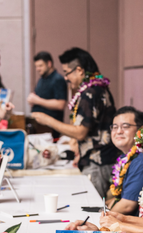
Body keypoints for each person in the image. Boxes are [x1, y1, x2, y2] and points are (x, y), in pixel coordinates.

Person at [31, 47, 120, 197]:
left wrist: (48, 120)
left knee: (92, 208)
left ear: (79, 70)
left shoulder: (90, 92)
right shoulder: (98, 87)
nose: (66, 78)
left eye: (67, 72)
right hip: (102, 159)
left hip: (97, 163)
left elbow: (80, 132)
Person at [106, 107, 143, 215]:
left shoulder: (142, 159)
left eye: (125, 126)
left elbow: (127, 206)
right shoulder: (126, 157)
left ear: (140, 130)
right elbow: (120, 198)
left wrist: (99, 220)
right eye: (114, 127)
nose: (118, 131)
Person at [27, 51, 68, 139]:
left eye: (40, 66)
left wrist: (38, 100)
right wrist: (32, 100)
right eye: (36, 66)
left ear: (49, 63)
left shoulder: (58, 79)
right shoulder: (41, 79)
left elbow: (61, 104)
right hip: (37, 126)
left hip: (50, 129)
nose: (38, 69)